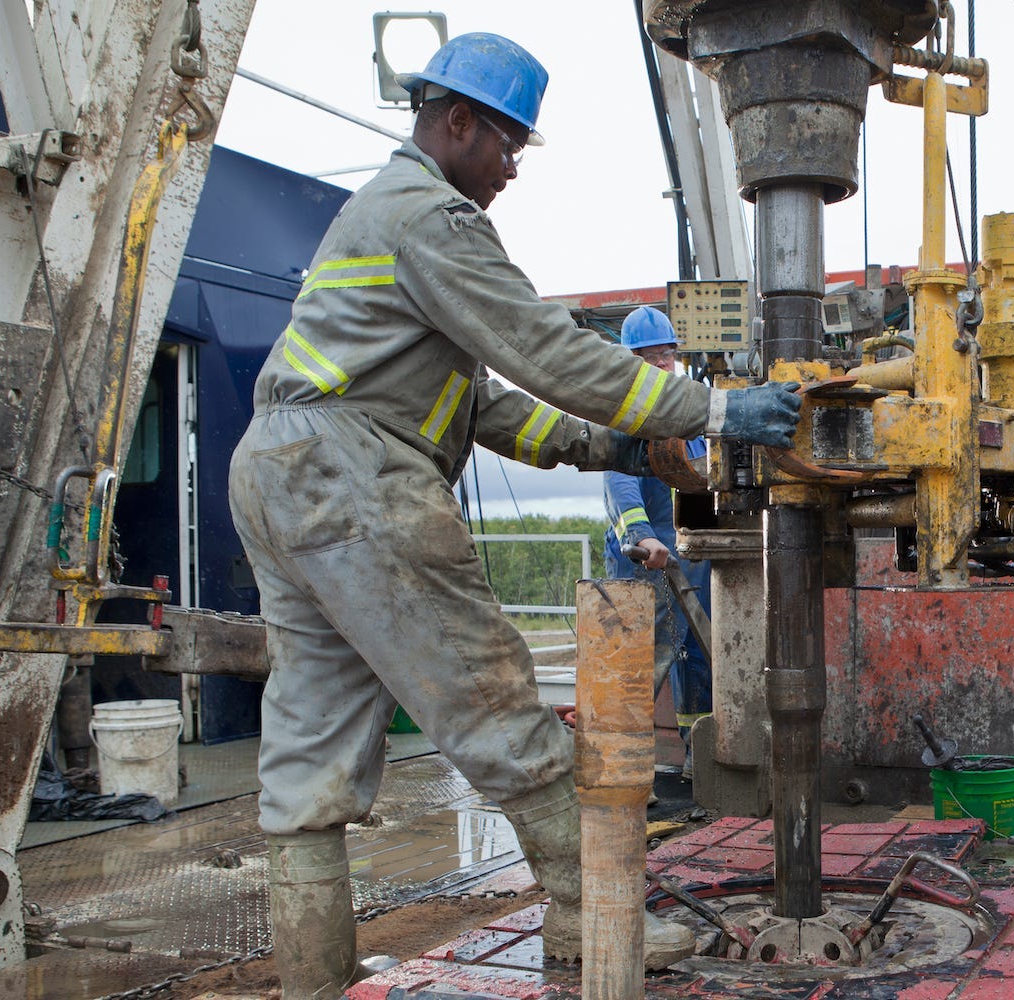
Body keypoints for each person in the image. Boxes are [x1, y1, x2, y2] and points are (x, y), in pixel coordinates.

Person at [226, 32, 801, 996]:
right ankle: (597, 921)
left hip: (284, 471)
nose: (511, 171)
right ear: (457, 124)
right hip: (354, 474)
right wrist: (709, 410)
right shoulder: (432, 217)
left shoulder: (376, 219)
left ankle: (312, 981)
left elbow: (484, 401)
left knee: (310, 749)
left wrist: (605, 445)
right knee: (495, 704)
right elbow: (546, 349)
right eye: (508, 146)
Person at [601, 307, 713, 746]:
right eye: (650, 358)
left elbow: (708, 470)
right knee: (638, 659)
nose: (662, 365)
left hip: (690, 554)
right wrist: (639, 535)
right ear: (631, 362)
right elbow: (619, 482)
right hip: (643, 559)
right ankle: (619, 760)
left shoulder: (687, 410)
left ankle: (696, 751)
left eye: (667, 355)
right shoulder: (623, 414)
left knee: (697, 654)